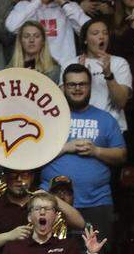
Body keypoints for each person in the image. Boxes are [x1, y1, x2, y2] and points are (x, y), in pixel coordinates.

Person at [40, 63, 126, 243]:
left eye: (82, 84)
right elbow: (32, 157)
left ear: (90, 87)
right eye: (72, 84)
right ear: (63, 87)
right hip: (53, 202)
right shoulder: (47, 118)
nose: (77, 88)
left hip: (96, 203)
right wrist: (65, 147)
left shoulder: (105, 119)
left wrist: (97, 150)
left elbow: (121, 155)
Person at [5, 0, 89, 65]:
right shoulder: (24, 6)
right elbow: (11, 26)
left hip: (63, 71)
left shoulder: (69, 7)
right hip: (34, 71)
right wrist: (38, 2)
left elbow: (89, 30)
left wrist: (63, 3)